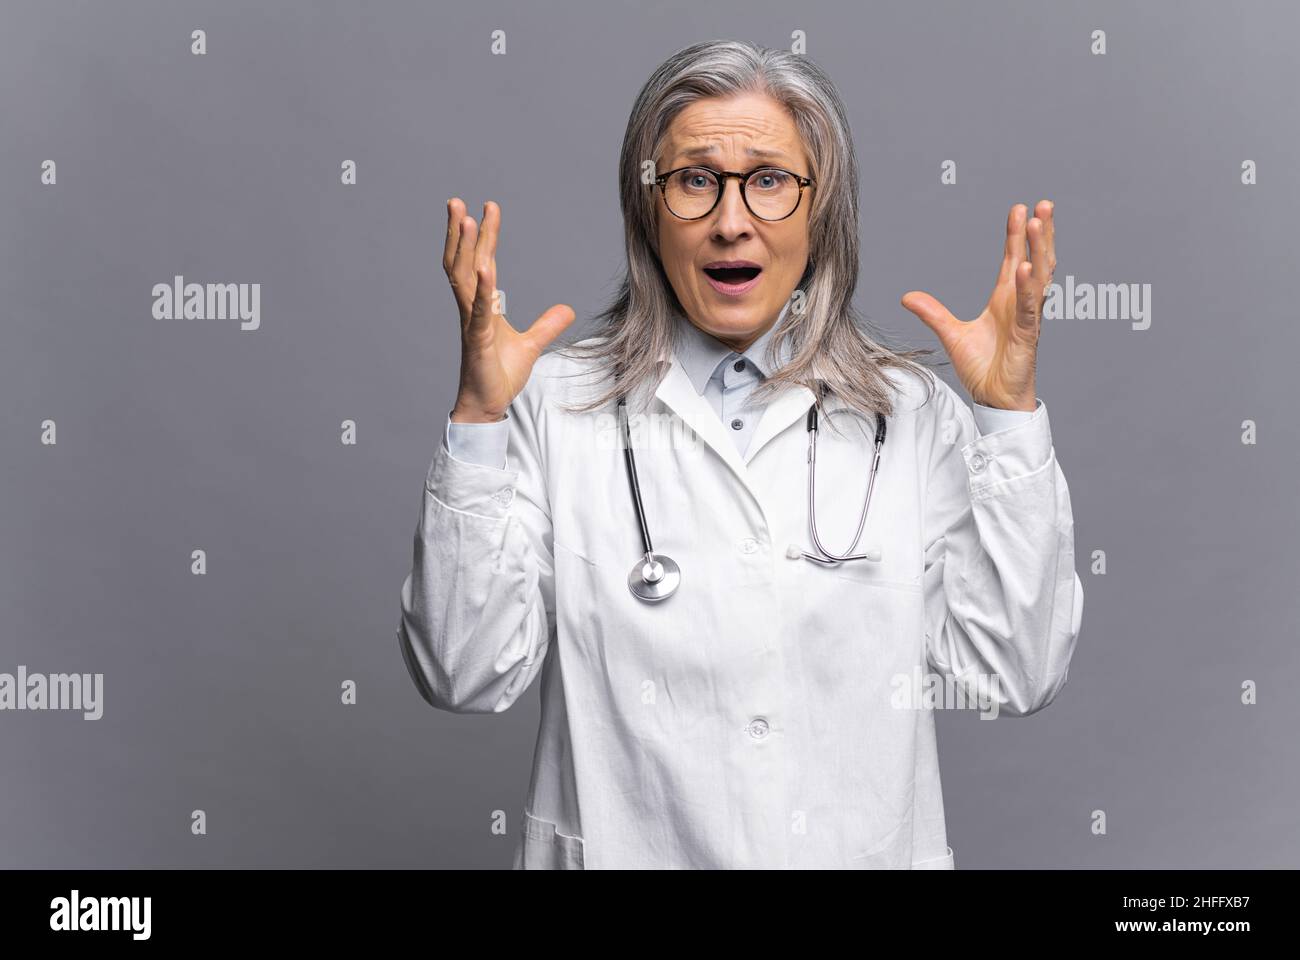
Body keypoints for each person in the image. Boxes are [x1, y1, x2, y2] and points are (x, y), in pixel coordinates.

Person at [397, 39, 1082, 869]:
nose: (730, 221)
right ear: (647, 207)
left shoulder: (908, 416)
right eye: (695, 180)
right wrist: (478, 421)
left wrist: (1007, 420)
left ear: (820, 209)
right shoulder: (553, 405)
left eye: (768, 180)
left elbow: (1014, 672)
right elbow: (463, 672)